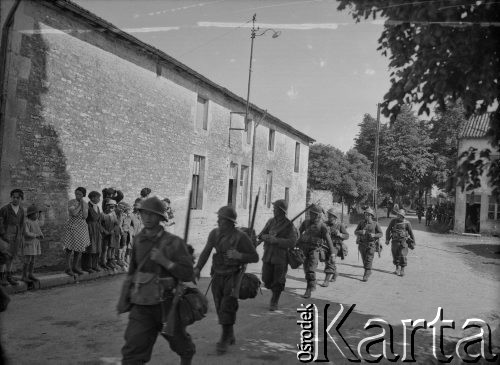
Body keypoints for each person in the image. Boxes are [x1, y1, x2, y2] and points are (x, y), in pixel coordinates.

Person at [119, 196, 195, 365]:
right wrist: (124, 297)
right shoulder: (138, 240)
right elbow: (132, 271)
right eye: (144, 213)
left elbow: (188, 274)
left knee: (180, 343)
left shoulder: (174, 243)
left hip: (166, 304)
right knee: (132, 351)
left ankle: (187, 356)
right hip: (141, 305)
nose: (147, 217)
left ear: (161, 218)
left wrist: (165, 261)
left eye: (152, 214)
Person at [194, 206, 258, 355]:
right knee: (219, 306)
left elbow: (254, 257)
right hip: (217, 274)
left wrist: (239, 256)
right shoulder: (214, 234)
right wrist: (197, 268)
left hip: (233, 275)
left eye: (221, 219)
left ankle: (224, 338)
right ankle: (229, 332)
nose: (218, 221)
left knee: (227, 305)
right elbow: (206, 251)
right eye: (218, 218)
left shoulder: (241, 237)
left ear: (230, 222)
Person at [257, 199, 297, 311]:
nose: (273, 210)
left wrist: (277, 240)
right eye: (274, 208)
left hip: (280, 257)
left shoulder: (289, 225)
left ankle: (274, 300)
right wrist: (264, 237)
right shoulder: (270, 222)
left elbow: (292, 242)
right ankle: (273, 290)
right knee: (266, 279)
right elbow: (261, 234)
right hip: (268, 255)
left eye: (275, 208)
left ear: (281, 211)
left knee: (278, 281)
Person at [297, 204, 334, 298]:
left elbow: (329, 240)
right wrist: (295, 244)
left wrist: (333, 253)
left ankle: (308, 290)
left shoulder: (322, 226)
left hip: (315, 250)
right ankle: (312, 283)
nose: (310, 215)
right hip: (304, 249)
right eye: (310, 213)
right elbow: (298, 233)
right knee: (306, 269)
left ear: (318, 215)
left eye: (312, 214)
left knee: (310, 270)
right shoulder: (306, 222)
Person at [63, 187, 91, 276]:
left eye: (79, 194)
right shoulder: (71, 202)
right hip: (72, 226)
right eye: (76, 193)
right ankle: (68, 268)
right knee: (69, 247)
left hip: (82, 227)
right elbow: (74, 213)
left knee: (79, 248)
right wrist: (80, 205)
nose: (77, 195)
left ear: (83, 195)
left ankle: (75, 267)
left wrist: (83, 205)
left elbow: (85, 216)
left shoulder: (85, 204)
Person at [0, 189, 25, 286]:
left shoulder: (21, 211)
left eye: (17, 198)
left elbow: (22, 224)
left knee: (11, 256)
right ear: (11, 198)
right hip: (5, 237)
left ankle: (9, 276)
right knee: (3, 257)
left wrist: (21, 237)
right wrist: (3, 235)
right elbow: (0, 223)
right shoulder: (5, 209)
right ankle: (1, 277)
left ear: (21, 198)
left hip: (16, 237)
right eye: (13, 197)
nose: (15, 199)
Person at [320, 208, 349, 287]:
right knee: (325, 259)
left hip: (336, 246)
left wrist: (340, 234)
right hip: (326, 245)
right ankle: (335, 273)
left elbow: (347, 236)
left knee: (330, 260)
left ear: (335, 217)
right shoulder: (325, 223)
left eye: (330, 216)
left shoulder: (340, 225)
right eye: (328, 215)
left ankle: (326, 281)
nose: (329, 217)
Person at [354, 207, 383, 282]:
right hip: (362, 244)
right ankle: (368, 270)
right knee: (364, 260)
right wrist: (361, 232)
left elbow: (381, 234)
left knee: (369, 259)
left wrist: (374, 235)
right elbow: (355, 232)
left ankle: (366, 274)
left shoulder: (375, 224)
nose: (366, 216)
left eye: (368, 215)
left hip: (371, 244)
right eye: (365, 214)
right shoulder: (361, 223)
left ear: (371, 216)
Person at [385, 209, 415, 277]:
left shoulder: (407, 223)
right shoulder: (393, 221)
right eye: (398, 215)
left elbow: (411, 233)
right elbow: (388, 230)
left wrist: (413, 242)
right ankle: (397, 268)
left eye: (400, 215)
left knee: (402, 255)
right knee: (395, 255)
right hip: (394, 241)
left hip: (403, 241)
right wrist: (387, 239)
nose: (399, 216)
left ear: (403, 216)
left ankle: (402, 269)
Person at [22, 204, 44, 283]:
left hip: (35, 243)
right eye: (36, 213)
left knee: (33, 260)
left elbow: (42, 223)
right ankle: (24, 276)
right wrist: (36, 235)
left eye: (38, 213)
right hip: (29, 243)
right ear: (30, 214)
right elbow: (26, 233)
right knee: (27, 260)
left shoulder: (36, 221)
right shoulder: (27, 222)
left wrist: (41, 214)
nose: (37, 215)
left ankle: (30, 274)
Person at [84, 191, 103, 273]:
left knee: (97, 247)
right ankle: (87, 266)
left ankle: (95, 265)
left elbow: (98, 219)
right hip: (90, 228)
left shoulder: (97, 207)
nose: (99, 199)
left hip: (97, 229)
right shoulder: (87, 206)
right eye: (98, 197)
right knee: (90, 247)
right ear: (92, 198)